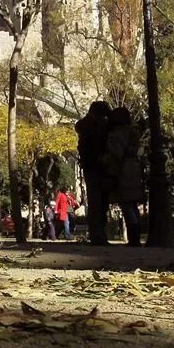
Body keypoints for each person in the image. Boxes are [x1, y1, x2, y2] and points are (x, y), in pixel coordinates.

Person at [104, 107, 145, 246]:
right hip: (134, 169)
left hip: (121, 171)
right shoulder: (133, 134)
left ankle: (133, 237)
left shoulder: (115, 135)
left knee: (127, 204)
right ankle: (136, 235)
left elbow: (116, 154)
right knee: (132, 205)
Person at [75, 101, 113, 245]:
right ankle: (99, 235)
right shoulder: (100, 128)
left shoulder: (85, 127)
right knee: (100, 202)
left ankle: (97, 234)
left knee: (97, 201)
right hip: (99, 166)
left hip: (91, 166)